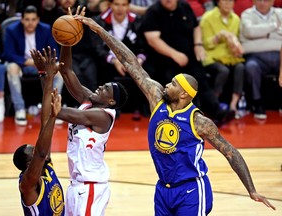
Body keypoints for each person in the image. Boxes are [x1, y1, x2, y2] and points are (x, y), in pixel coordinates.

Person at [76, 14, 277, 215]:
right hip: (163, 189)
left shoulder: (199, 122)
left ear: (183, 94)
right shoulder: (156, 99)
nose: (166, 84)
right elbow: (131, 62)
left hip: (191, 190)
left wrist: (251, 190)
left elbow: (231, 153)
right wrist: (100, 30)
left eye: (173, 84)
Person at [31, 7, 128, 215]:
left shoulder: (101, 116)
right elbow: (66, 70)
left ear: (110, 101)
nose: (100, 87)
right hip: (77, 184)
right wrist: (68, 39)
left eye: (106, 89)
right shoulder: (89, 100)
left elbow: (55, 110)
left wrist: (46, 78)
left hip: (91, 186)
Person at [140, 0, 235, 126]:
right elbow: (152, 39)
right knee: (176, 87)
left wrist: (198, 44)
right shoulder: (153, 12)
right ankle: (186, 119)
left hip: (189, 55)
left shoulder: (185, 7)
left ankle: (217, 112)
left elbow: (196, 27)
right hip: (164, 59)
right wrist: (174, 54)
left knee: (201, 81)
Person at [12, 47, 65, 215]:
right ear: (29, 164)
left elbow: (44, 124)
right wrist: (54, 117)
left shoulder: (45, 166)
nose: (37, 148)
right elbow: (41, 152)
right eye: (32, 151)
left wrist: (45, 75)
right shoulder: (28, 184)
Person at [1, 5, 63, 125]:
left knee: (59, 72)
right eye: (27, 19)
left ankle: (53, 109)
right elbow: (8, 54)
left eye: (33, 19)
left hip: (42, 65)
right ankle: (19, 109)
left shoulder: (45, 29)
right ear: (22, 20)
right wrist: (28, 61)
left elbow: (55, 52)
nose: (30, 23)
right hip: (22, 65)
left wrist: (43, 61)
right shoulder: (12, 30)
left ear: (38, 20)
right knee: (11, 68)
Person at [200, 0, 245, 119]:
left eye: (230, 1)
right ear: (218, 3)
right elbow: (205, 43)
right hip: (211, 55)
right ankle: (214, 104)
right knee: (223, 71)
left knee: (240, 67)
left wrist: (236, 47)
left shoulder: (236, 19)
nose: (227, 4)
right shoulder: (208, 17)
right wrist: (219, 36)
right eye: (224, 1)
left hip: (230, 56)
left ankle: (233, 105)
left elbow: (237, 40)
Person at [239, 0, 282, 119]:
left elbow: (254, 33)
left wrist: (260, 34)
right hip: (256, 57)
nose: (263, 3)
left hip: (280, 55)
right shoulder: (246, 14)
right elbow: (250, 31)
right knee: (251, 67)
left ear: (273, 1)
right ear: (253, 1)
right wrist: (274, 27)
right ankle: (257, 103)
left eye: (267, 0)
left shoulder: (280, 13)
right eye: (259, 0)